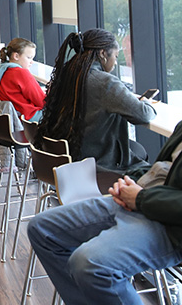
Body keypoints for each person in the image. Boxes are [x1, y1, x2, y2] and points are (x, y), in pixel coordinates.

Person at [26, 119, 182, 304]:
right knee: (41, 228)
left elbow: (143, 114)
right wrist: (129, 182)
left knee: (90, 265)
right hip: (132, 191)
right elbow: (161, 166)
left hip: (170, 224)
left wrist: (140, 197)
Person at [37, 29, 156, 173]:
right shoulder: (105, 82)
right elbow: (144, 114)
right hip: (96, 164)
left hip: (68, 157)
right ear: (103, 54)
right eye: (116, 56)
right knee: (152, 169)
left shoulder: (69, 72)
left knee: (137, 149)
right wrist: (146, 102)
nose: (116, 63)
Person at [0, 38, 45, 122]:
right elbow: (42, 102)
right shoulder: (21, 73)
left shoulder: (3, 71)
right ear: (16, 56)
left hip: (13, 119)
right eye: (29, 58)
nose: (32, 62)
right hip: (27, 118)